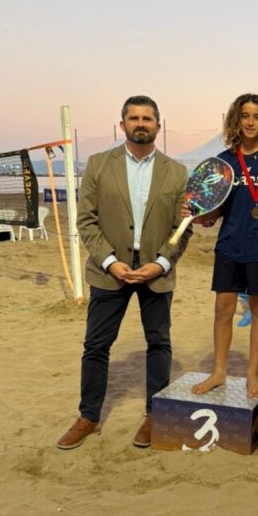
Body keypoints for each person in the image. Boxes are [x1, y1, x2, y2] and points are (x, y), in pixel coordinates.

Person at [56, 96, 190, 451]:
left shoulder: (176, 172)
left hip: (155, 273)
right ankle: (88, 417)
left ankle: (155, 414)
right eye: (134, 118)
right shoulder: (100, 165)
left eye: (147, 118)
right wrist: (110, 262)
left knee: (158, 344)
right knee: (96, 346)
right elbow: (85, 221)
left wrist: (160, 263)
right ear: (122, 125)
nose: (140, 123)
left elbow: (183, 227)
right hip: (109, 273)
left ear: (159, 126)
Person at [188, 93, 258, 399]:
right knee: (223, 309)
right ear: (236, 120)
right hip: (230, 246)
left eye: (256, 116)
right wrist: (200, 217)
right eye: (245, 116)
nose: (250, 122)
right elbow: (214, 208)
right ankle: (219, 372)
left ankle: (251, 375)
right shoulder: (224, 162)